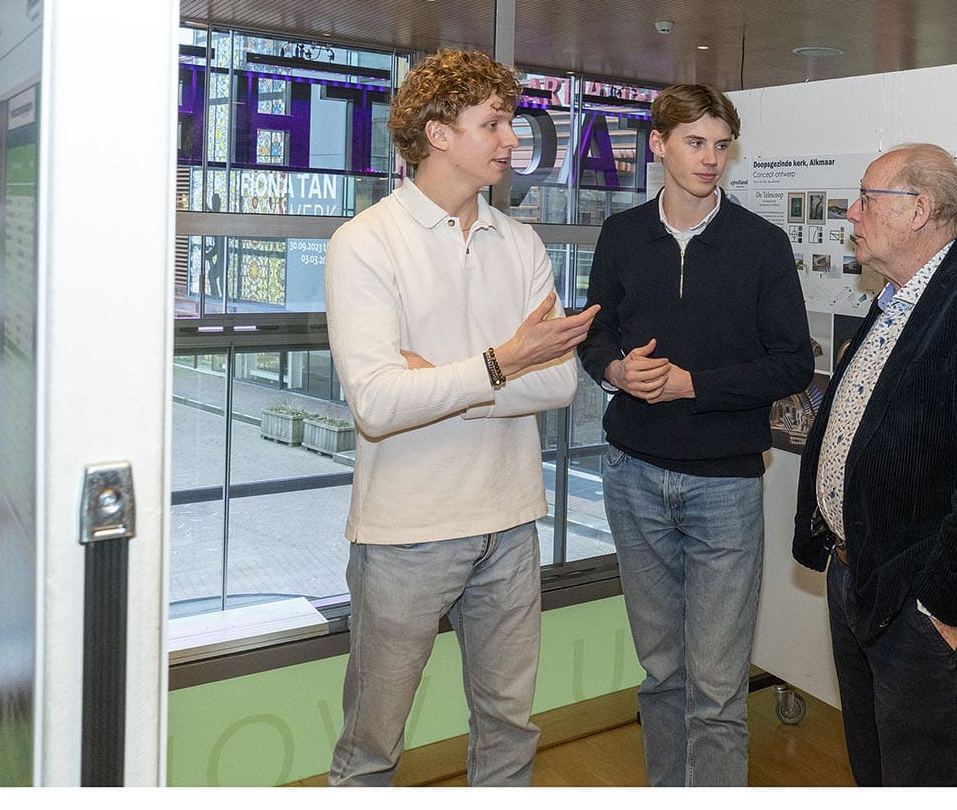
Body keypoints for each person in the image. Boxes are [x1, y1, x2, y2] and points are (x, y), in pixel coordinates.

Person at [323, 49, 600, 786]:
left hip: (510, 520)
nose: (513, 138)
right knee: (370, 746)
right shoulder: (365, 243)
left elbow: (561, 383)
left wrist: (446, 376)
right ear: (437, 133)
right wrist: (503, 361)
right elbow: (378, 404)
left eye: (508, 119)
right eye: (494, 122)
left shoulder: (523, 243)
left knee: (509, 730)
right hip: (404, 532)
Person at [792, 143, 957, 786]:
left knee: (922, 773)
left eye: (865, 199)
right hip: (856, 576)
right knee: (873, 767)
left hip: (917, 592)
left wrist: (942, 599)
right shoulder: (893, 299)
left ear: (918, 209)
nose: (849, 213)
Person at [577, 83, 812, 786]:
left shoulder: (762, 244)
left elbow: (794, 362)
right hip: (633, 476)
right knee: (661, 674)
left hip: (725, 485)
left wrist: (693, 384)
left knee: (715, 690)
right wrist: (617, 368)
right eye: (695, 142)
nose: (710, 158)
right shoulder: (622, 234)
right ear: (658, 144)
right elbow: (596, 333)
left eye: (720, 145)